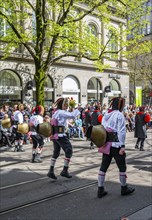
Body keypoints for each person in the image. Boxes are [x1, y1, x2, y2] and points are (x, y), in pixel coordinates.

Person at [97, 97, 135, 198]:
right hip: (116, 145)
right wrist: (122, 146)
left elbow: (103, 128)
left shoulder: (106, 114)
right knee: (122, 167)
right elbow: (121, 131)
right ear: (120, 105)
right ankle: (124, 188)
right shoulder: (119, 115)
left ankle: (100, 189)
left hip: (107, 144)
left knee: (103, 166)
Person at [47, 97, 80, 180]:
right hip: (60, 135)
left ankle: (51, 171)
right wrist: (78, 109)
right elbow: (72, 115)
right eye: (65, 105)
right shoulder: (61, 112)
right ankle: (64, 170)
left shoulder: (56, 112)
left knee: (56, 153)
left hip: (55, 135)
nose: (66, 107)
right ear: (62, 105)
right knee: (69, 150)